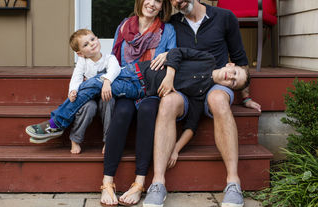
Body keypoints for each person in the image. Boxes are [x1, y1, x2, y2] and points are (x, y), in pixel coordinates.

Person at [142, 0, 261, 207]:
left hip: (215, 82)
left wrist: (245, 96)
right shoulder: (172, 23)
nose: (177, 0)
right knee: (167, 103)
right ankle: (157, 183)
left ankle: (233, 182)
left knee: (218, 99)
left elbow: (240, 61)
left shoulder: (224, 17)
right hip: (185, 85)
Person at [26, 47, 249, 149]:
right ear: (230, 65)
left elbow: (192, 125)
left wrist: (177, 149)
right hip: (136, 71)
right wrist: (170, 75)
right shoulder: (208, 59)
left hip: (140, 91)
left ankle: (56, 124)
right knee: (93, 85)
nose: (230, 78)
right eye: (235, 74)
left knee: (94, 84)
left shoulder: (202, 93)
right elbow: (176, 53)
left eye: (233, 83)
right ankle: (56, 123)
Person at [100, 0, 176, 207]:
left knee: (147, 110)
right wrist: (107, 81)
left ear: (162, 7)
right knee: (122, 112)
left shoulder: (167, 30)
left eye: (158, 1)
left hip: (151, 89)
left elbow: (175, 56)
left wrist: (169, 62)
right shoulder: (124, 26)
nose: (152, 4)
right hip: (126, 86)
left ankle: (140, 182)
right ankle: (107, 181)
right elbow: (114, 60)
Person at [25, 29, 120, 154]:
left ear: (97, 38)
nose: (91, 44)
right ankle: (75, 139)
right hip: (88, 98)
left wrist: (107, 81)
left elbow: (115, 69)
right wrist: (73, 90)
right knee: (88, 107)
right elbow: (77, 77)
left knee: (109, 102)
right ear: (80, 54)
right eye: (85, 44)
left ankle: (109, 141)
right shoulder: (83, 62)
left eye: (92, 39)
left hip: (105, 93)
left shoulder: (109, 58)